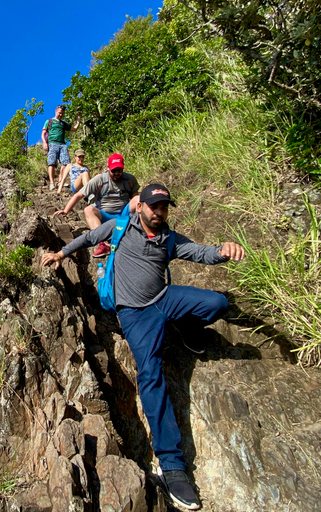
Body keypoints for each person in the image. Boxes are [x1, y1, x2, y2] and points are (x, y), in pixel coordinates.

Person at [41, 184, 245, 511]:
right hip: (135, 314)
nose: (159, 212)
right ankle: (173, 465)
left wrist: (223, 250)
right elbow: (90, 239)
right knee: (151, 376)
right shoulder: (121, 227)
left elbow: (200, 252)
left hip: (164, 299)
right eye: (154, 206)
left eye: (164, 207)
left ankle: (189, 329)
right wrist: (61, 254)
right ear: (141, 207)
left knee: (217, 303)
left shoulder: (170, 238)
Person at [53, 153, 139, 258]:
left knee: (138, 199)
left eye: (119, 170)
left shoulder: (130, 180)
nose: (117, 173)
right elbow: (79, 195)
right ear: (108, 169)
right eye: (114, 171)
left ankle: (139, 231)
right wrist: (66, 210)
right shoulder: (99, 180)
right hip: (104, 216)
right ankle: (103, 243)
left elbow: (136, 200)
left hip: (123, 215)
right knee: (89, 210)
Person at [42, 105, 80, 191]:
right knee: (51, 163)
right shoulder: (49, 121)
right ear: (56, 111)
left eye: (62, 113)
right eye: (59, 113)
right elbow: (43, 133)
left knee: (66, 163)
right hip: (52, 143)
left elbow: (74, 129)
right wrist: (45, 143)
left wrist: (78, 118)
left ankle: (60, 181)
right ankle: (52, 183)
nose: (60, 115)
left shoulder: (63, 123)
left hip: (62, 144)